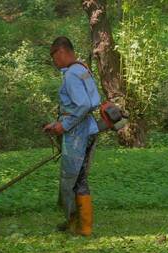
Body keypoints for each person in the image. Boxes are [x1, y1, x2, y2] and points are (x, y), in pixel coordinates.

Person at [43, 36, 100, 236]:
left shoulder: (71, 75)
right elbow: (92, 102)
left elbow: (83, 104)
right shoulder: (82, 69)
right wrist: (58, 124)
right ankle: (74, 221)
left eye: (54, 57)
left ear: (62, 51)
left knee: (76, 179)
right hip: (88, 129)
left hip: (78, 133)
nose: (54, 62)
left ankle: (83, 227)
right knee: (77, 177)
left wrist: (64, 125)